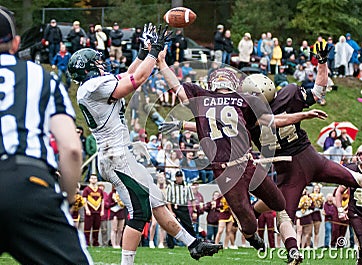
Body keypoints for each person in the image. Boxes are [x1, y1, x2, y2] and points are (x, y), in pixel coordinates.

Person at [157, 44, 330, 259]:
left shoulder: (244, 100)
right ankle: (251, 237)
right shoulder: (202, 97)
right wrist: (162, 64)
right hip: (226, 172)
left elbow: (272, 121)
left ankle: (284, 243)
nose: (222, 78)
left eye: (225, 75)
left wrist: (303, 116)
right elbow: (178, 88)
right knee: (248, 221)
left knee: (280, 202)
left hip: (247, 163)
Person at [67, 24, 222, 264]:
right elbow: (136, 80)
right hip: (114, 156)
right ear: (88, 69)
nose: (101, 64)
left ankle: (193, 243)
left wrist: (143, 52)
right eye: (96, 63)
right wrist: (154, 53)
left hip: (119, 154)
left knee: (157, 200)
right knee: (139, 212)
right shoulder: (91, 88)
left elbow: (129, 74)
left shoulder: (92, 86)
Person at [242, 42, 362, 262]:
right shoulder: (286, 95)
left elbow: (253, 127)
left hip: (291, 170)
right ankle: (276, 234)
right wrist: (322, 65)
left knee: (284, 212)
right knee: (360, 180)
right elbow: (316, 92)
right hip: (310, 159)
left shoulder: (249, 119)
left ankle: (292, 250)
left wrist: (322, 64)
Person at [0, 6, 92, 264]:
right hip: (28, 184)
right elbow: (72, 149)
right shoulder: (42, 78)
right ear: (16, 43)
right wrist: (68, 196)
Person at [166, 171, 197, 248]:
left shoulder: (187, 185)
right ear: (176, 177)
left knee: (188, 225)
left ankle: (194, 243)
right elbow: (168, 200)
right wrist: (171, 211)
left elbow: (192, 199)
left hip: (183, 207)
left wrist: (194, 210)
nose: (179, 178)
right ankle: (170, 244)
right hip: (174, 207)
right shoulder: (171, 186)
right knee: (171, 225)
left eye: (180, 177)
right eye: (178, 177)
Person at [83, 174, 105, 247]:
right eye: (92, 178)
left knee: (96, 228)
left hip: (97, 211)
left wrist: (102, 210)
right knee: (87, 228)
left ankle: (95, 242)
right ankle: (87, 242)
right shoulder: (87, 189)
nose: (93, 180)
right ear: (89, 180)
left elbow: (102, 200)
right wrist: (87, 209)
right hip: (89, 211)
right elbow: (84, 200)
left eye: (95, 178)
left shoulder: (99, 190)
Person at [310, 184, 324, 248]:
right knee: (309, 232)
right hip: (310, 214)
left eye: (318, 188)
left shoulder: (321, 197)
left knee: (316, 231)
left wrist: (320, 202)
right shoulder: (309, 196)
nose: (316, 189)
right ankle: (308, 244)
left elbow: (321, 207)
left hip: (317, 213)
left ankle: (316, 245)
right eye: (315, 188)